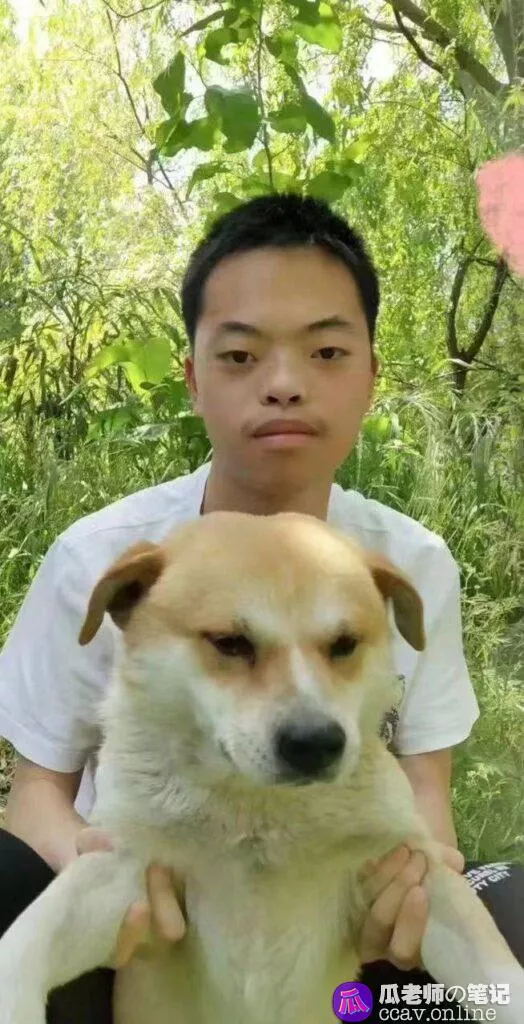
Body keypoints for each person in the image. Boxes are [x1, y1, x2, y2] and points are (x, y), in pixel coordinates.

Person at [0, 193, 522, 1024]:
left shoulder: (412, 561)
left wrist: (411, 891)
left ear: (371, 375)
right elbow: (35, 794)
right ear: (194, 377)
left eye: (326, 351)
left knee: (512, 907)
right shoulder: (101, 557)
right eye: (242, 355)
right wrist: (110, 873)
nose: (284, 386)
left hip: (350, 986)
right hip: (142, 941)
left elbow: (426, 791)